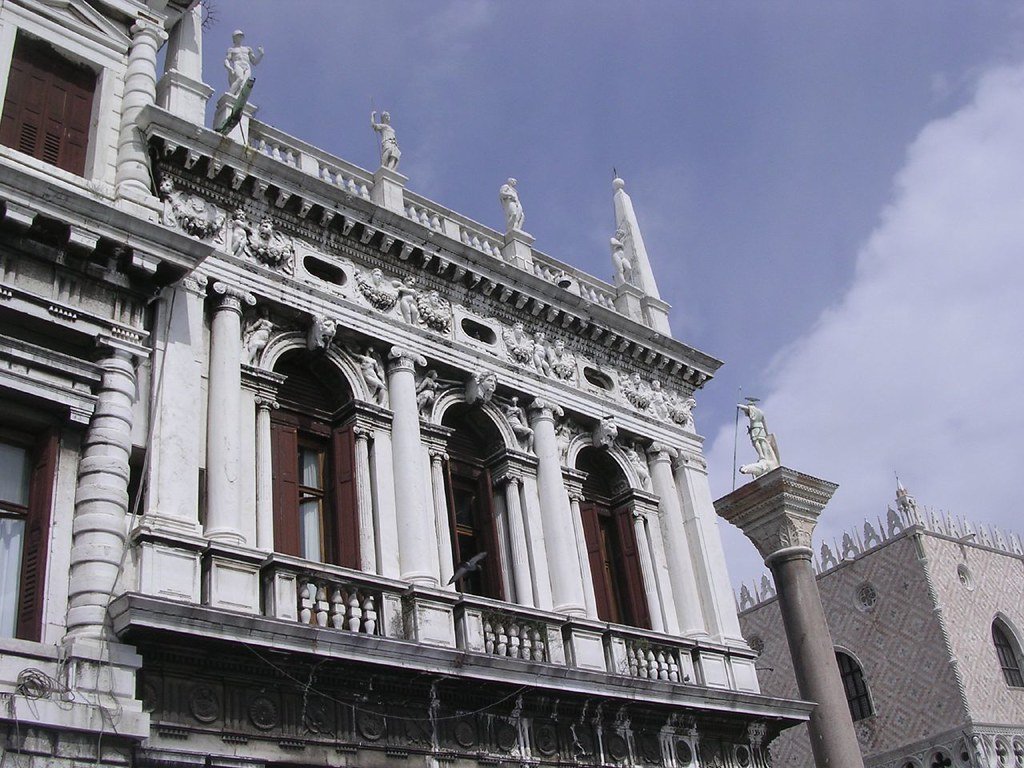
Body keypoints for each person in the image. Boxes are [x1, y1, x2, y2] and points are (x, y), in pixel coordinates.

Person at [224, 30, 264, 96]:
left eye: (240, 36)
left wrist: (261, 54)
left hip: (247, 65)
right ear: (234, 38)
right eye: (238, 36)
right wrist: (229, 68)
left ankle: (238, 96)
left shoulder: (248, 49)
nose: (239, 38)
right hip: (238, 64)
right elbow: (226, 60)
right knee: (240, 78)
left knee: (245, 83)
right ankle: (230, 94)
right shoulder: (231, 49)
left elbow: (255, 62)